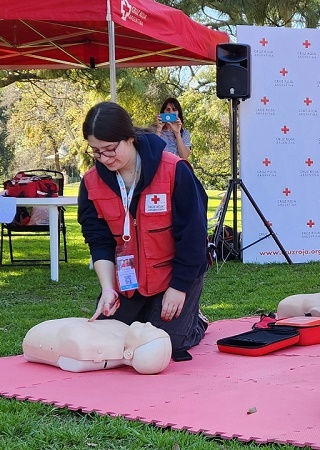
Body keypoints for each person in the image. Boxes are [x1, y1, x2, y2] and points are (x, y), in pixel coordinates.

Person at [78, 101, 210, 362]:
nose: (104, 158)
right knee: (110, 339)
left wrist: (180, 287)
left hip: (174, 275)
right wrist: (107, 288)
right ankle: (145, 311)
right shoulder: (91, 182)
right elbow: (98, 239)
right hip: (128, 280)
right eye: (96, 152)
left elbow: (193, 235)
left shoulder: (174, 169)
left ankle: (195, 321)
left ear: (130, 138)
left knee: (162, 344)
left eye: (110, 149)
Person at [23, 318, 172, 375]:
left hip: (38, 335)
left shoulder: (85, 344)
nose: (149, 324)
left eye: (146, 331)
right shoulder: (123, 328)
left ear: (129, 354)